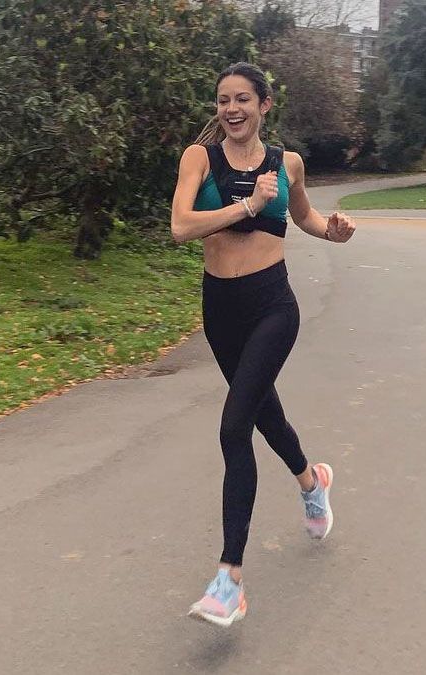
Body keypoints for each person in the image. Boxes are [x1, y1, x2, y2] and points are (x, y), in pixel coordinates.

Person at [170, 62, 356, 627]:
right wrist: (246, 207)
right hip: (219, 310)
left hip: (273, 306)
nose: (232, 109)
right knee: (264, 412)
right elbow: (181, 226)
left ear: (264, 105)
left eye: (243, 99)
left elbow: (304, 217)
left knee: (234, 426)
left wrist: (333, 230)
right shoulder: (198, 158)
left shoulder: (286, 164)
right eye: (224, 99)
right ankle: (311, 480)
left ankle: (230, 578)